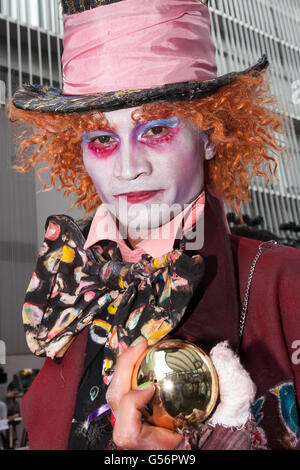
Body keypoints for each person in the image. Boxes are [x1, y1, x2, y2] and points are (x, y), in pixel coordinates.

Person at [7, 0, 300, 450]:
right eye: (103, 139)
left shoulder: (286, 283)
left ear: (209, 135)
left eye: (155, 130)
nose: (128, 168)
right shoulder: (69, 282)